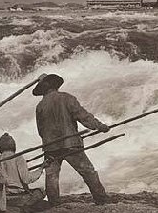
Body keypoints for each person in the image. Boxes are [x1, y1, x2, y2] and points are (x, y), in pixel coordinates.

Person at [33, 73, 112, 206]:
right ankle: (101, 199)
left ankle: (54, 203)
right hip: (70, 144)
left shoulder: (40, 106)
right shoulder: (67, 98)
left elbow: (40, 130)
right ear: (56, 86)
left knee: (51, 175)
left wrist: (49, 140)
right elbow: (84, 117)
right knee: (87, 171)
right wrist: (100, 126)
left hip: (50, 147)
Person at [0, 132, 47, 211]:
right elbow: (26, 179)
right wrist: (41, 168)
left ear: (0, 148)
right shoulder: (18, 158)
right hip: (18, 196)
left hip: (4, 197)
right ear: (14, 146)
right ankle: (26, 206)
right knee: (41, 191)